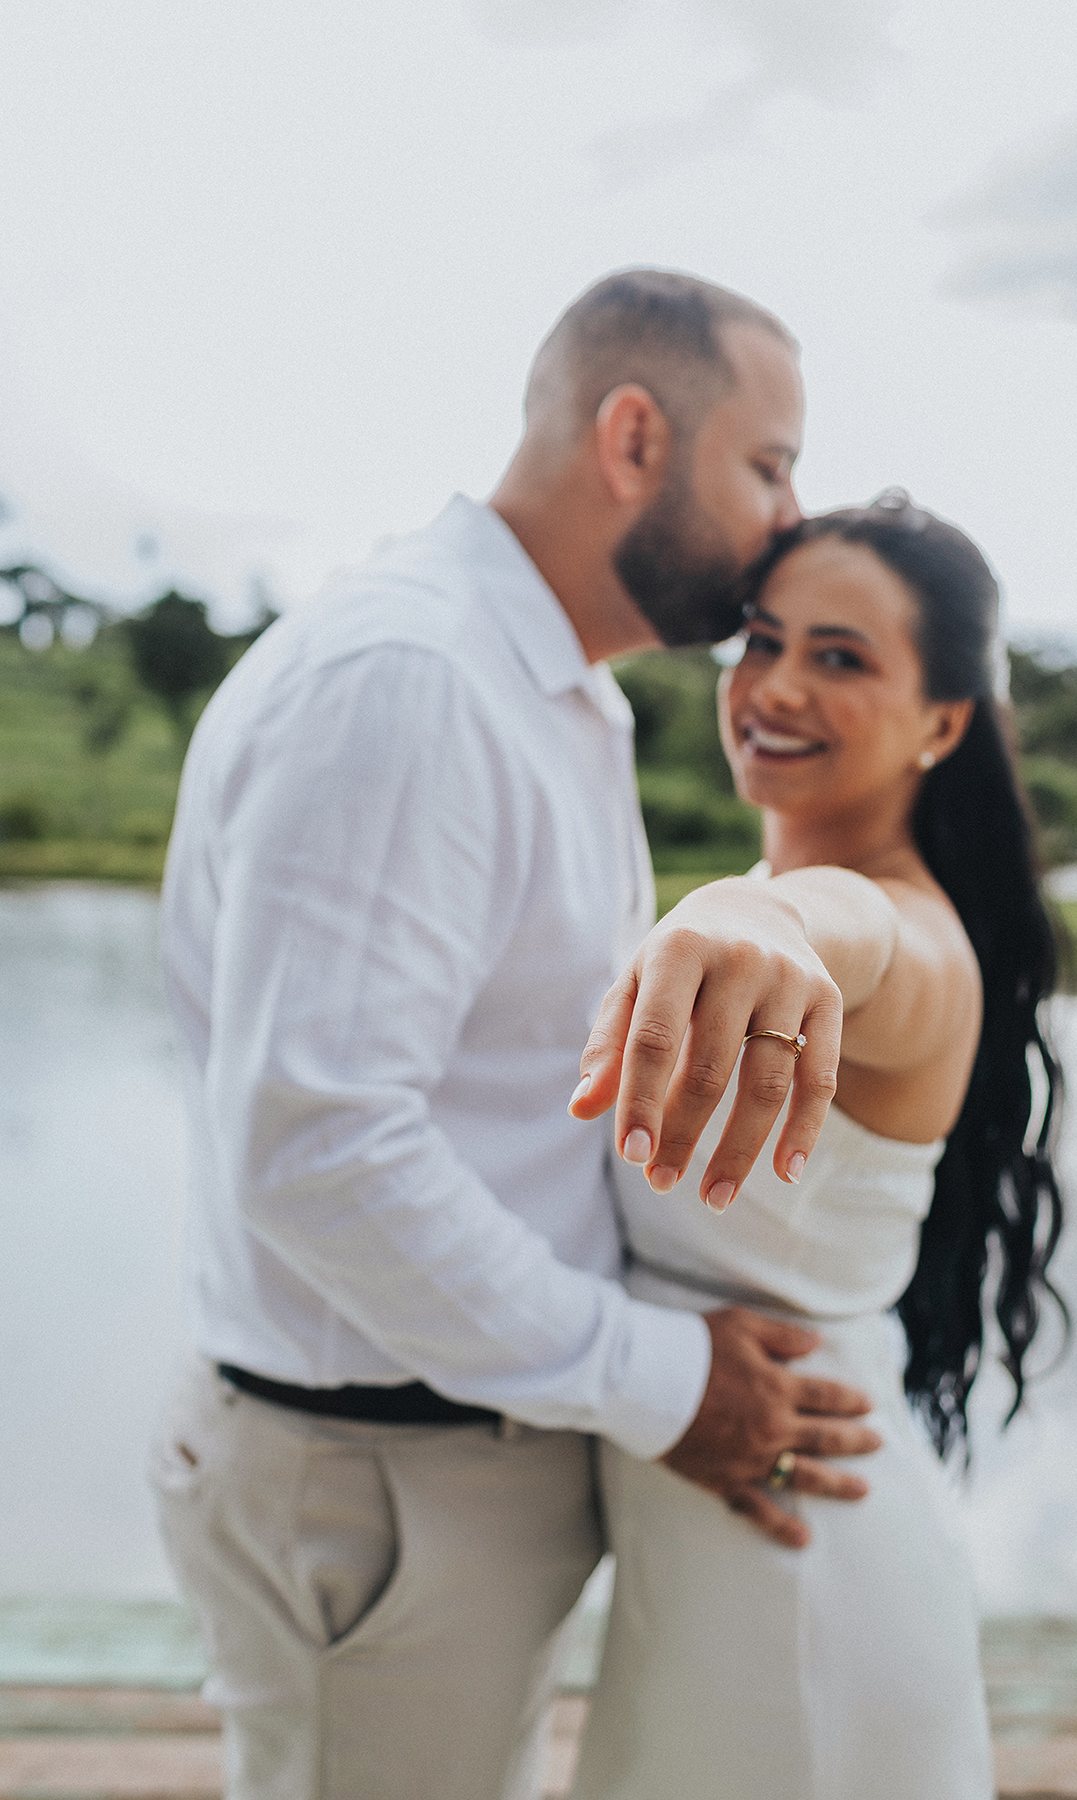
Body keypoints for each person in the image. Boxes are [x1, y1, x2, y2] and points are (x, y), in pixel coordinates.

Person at [150, 270, 883, 1800]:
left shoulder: (548, 689)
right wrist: (666, 1383)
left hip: (440, 1463)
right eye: (768, 464)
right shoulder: (414, 681)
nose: (790, 520)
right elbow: (323, 1152)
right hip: (381, 1484)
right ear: (633, 436)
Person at [569, 493, 1065, 1800]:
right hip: (705, 1576)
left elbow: (850, 935)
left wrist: (755, 914)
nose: (776, 686)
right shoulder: (786, 893)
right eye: (763, 641)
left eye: (841, 657)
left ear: (943, 722)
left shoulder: (910, 940)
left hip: (806, 1585)